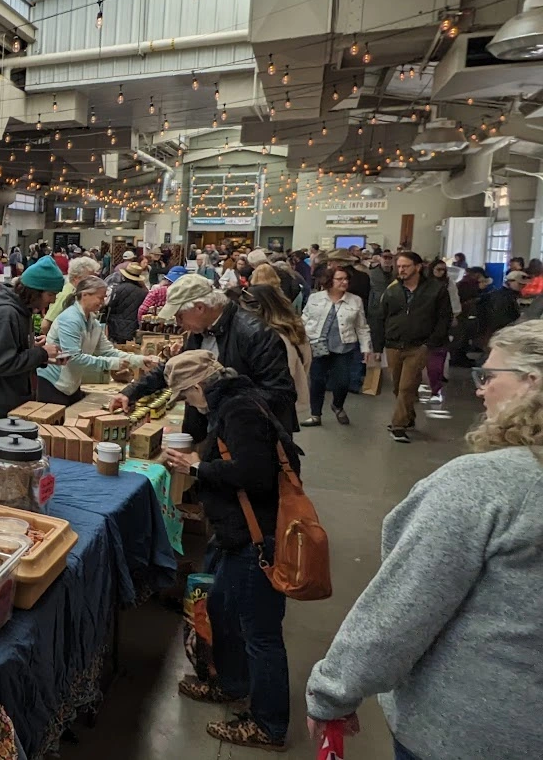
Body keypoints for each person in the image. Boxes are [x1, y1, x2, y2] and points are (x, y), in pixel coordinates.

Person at [305, 321, 543, 760]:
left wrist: (333, 692)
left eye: (488, 377)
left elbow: (404, 607)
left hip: (471, 731)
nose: (479, 390)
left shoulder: (485, 485)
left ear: (533, 382)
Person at [162, 351, 297, 752]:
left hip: (258, 537)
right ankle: (232, 683)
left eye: (185, 395)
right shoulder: (234, 401)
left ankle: (269, 725)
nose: (187, 404)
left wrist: (197, 467)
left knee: (260, 633)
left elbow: (254, 474)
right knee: (223, 609)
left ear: (199, 386)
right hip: (236, 531)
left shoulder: (239, 411)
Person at [111, 274, 298, 433]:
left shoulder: (254, 333)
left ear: (199, 308)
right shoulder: (200, 331)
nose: (177, 323)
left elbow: (281, 394)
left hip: (247, 435)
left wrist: (218, 396)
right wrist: (131, 392)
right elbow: (173, 367)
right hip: (213, 429)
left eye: (179, 315)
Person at [374, 251, 452, 443]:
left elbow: (444, 318)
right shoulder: (392, 290)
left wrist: (430, 343)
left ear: (418, 267)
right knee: (398, 387)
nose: (401, 270)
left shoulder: (436, 290)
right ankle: (408, 416)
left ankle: (398, 425)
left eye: (405, 266)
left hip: (419, 346)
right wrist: (377, 346)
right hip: (393, 344)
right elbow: (380, 317)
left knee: (407, 386)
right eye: (398, 266)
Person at [37, 276, 149, 405]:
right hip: (53, 383)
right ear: (85, 295)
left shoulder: (92, 322)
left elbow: (107, 351)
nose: (103, 302)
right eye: (100, 297)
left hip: (71, 384)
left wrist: (140, 360)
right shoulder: (70, 320)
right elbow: (73, 357)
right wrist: (111, 363)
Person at [0, 257, 66, 416]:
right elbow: (1, 363)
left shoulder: (23, 310)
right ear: (35, 292)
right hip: (1, 402)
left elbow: (14, 353)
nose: (53, 301)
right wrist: (41, 353)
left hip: (13, 397)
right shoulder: (7, 314)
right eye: (51, 294)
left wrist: (40, 355)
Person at [301, 266, 371, 427]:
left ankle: (337, 405)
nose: (344, 282)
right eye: (339, 279)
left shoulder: (355, 300)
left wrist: (366, 348)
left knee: (343, 381)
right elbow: (304, 319)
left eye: (346, 279)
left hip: (343, 347)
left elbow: (362, 326)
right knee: (317, 381)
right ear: (329, 280)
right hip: (318, 344)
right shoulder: (315, 298)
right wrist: (300, 340)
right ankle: (315, 415)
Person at [238, 284, 312, 423]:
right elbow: (306, 361)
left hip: (269, 402)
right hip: (290, 398)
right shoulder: (294, 328)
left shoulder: (267, 337)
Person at [423, 260, 462, 410]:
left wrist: (452, 318)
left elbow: (455, 304)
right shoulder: (424, 284)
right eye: (438, 269)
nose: (441, 272)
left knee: (436, 363)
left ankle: (435, 389)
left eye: (443, 270)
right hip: (423, 326)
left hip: (441, 328)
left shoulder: (448, 284)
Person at [107, 263, 148, 344]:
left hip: (115, 327)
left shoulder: (117, 289)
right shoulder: (143, 292)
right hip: (133, 327)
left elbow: (110, 305)